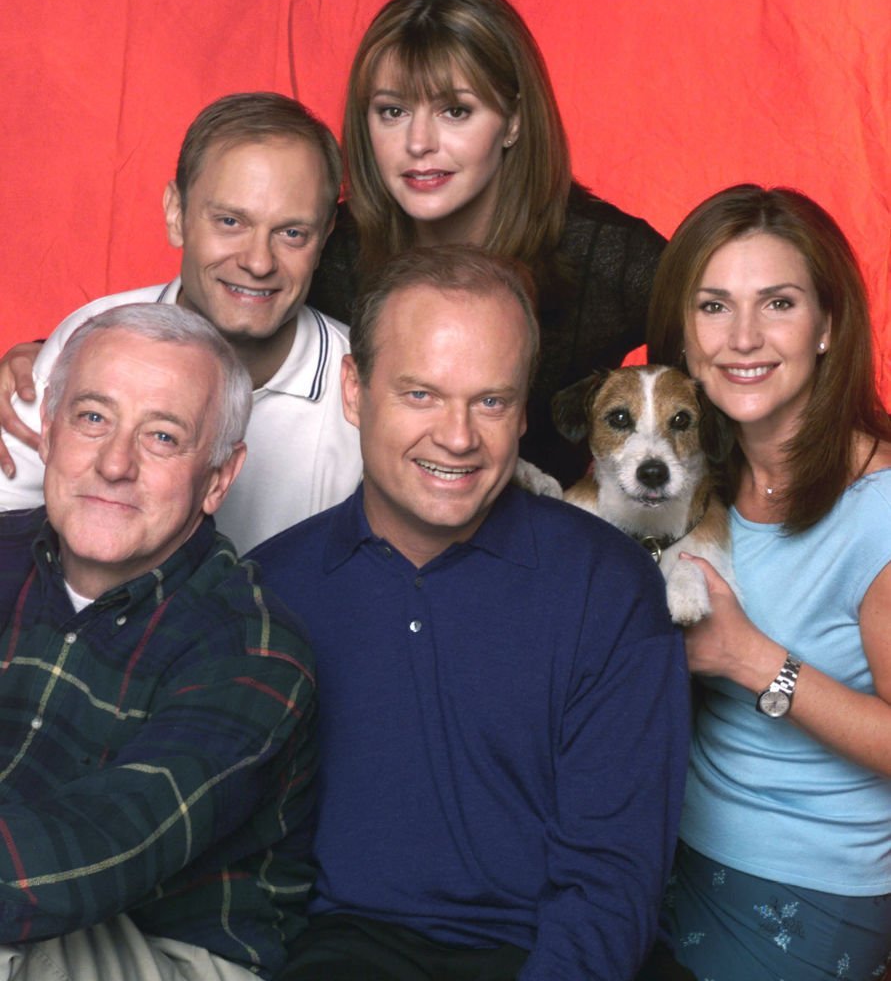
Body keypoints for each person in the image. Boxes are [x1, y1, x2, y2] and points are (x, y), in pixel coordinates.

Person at [249, 245, 691, 980]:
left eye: (489, 401)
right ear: (355, 391)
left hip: (557, 955)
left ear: (522, 411)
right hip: (340, 954)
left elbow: (612, 880)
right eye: (420, 394)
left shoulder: (607, 586)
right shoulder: (271, 587)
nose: (456, 437)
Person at [0, 303, 316, 980]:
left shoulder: (253, 647)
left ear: (219, 479)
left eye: (163, 437)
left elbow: (92, 853)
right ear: (49, 434)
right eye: (92, 418)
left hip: (168, 953)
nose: (116, 463)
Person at [646, 184, 891, 979]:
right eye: (713, 306)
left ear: (827, 325)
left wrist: (751, 660)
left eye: (777, 302)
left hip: (804, 889)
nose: (742, 337)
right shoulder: (686, 478)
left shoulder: (879, 506)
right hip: (663, 852)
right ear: (684, 336)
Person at [307, 0, 666, 485]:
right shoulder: (329, 254)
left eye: (456, 110)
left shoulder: (608, 257)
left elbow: (725, 384)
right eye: (392, 111)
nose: (418, 142)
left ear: (513, 120)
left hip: (551, 555)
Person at [0, 92, 362, 552]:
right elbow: (6, 520)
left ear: (325, 235)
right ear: (177, 214)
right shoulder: (91, 336)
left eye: (292, 233)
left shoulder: (364, 386)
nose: (257, 261)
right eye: (230, 221)